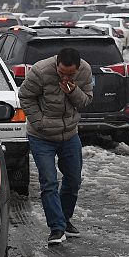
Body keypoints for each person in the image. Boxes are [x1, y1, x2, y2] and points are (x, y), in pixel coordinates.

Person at [18, 47, 94, 245]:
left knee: (73, 179)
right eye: (61, 73)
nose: (65, 76)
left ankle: (64, 219)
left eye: (70, 73)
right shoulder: (40, 71)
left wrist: (73, 91)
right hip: (41, 136)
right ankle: (56, 228)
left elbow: (86, 101)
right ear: (56, 64)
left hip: (69, 134)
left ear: (78, 68)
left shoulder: (85, 71)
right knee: (49, 181)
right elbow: (25, 96)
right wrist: (39, 122)